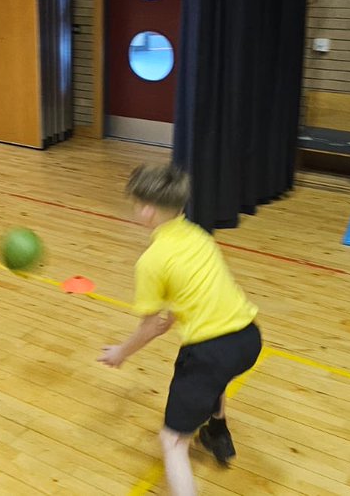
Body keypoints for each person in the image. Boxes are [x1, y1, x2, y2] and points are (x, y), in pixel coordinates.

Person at [98, 164, 262, 496]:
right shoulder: (199, 234)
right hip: (248, 338)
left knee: (172, 441)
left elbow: (151, 327)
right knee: (214, 377)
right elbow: (182, 303)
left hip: (210, 352)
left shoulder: (152, 260)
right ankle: (217, 431)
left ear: (146, 211)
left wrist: (121, 352)